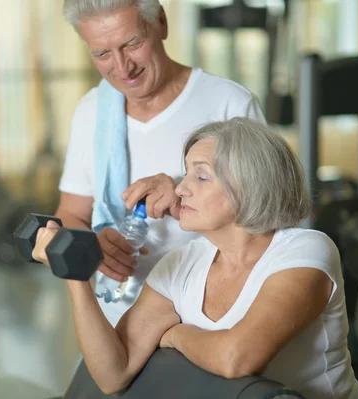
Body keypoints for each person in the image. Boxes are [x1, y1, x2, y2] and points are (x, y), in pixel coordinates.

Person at [34, 118, 358, 399]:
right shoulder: (181, 265)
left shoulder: (305, 251)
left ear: (250, 185)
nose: (180, 190)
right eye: (186, 174)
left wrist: (176, 335)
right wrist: (76, 279)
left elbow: (237, 358)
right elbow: (112, 374)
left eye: (201, 176)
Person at [57, 0, 266, 327]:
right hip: (116, 315)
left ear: (162, 24)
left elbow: (266, 223)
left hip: (208, 315)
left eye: (133, 44)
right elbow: (71, 213)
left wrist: (184, 195)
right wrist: (92, 246)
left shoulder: (231, 104)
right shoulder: (91, 110)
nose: (123, 68)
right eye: (102, 54)